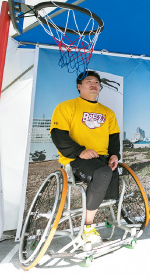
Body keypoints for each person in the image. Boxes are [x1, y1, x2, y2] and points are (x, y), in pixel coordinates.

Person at [50, 71, 121, 245]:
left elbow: (114, 138)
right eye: (88, 81)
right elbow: (58, 135)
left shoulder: (108, 113)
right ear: (79, 86)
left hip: (101, 159)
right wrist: (79, 151)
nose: (93, 84)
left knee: (109, 171)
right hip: (76, 159)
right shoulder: (66, 107)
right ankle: (87, 228)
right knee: (104, 173)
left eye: (97, 82)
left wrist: (114, 155)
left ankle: (101, 213)